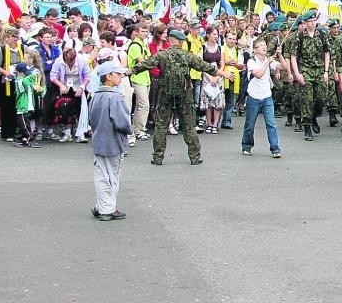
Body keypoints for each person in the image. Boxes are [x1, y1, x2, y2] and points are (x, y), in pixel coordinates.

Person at [129, 29, 233, 165]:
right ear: (179, 41)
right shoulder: (187, 56)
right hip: (185, 95)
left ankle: (158, 157)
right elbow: (206, 67)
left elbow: (144, 65)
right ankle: (195, 157)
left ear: (170, 41)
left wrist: (127, 72)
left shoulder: (162, 55)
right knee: (189, 126)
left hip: (165, 94)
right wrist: (223, 74)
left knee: (161, 127)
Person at [89, 61, 133, 221]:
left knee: (101, 173)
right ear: (108, 76)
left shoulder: (96, 96)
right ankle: (107, 208)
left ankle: (102, 206)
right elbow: (123, 122)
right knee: (112, 175)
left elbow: (91, 119)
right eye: (118, 74)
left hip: (99, 139)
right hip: (114, 141)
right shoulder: (115, 98)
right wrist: (129, 130)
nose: (121, 77)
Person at [288, 10, 330, 142]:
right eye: (309, 22)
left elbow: (327, 52)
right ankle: (307, 128)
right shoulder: (299, 36)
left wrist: (326, 71)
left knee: (320, 99)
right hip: (305, 70)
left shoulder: (322, 34)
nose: (312, 24)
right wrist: (297, 74)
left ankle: (313, 117)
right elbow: (293, 57)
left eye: (313, 21)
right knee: (306, 100)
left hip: (319, 71)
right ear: (304, 23)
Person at [241, 38, 282, 158]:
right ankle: (246, 146)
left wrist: (280, 55)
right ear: (255, 50)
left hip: (267, 97)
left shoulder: (268, 61)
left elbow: (283, 67)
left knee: (271, 124)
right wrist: (267, 62)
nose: (264, 47)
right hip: (253, 97)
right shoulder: (251, 61)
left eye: (265, 45)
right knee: (250, 124)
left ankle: (275, 148)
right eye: (261, 46)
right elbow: (258, 74)